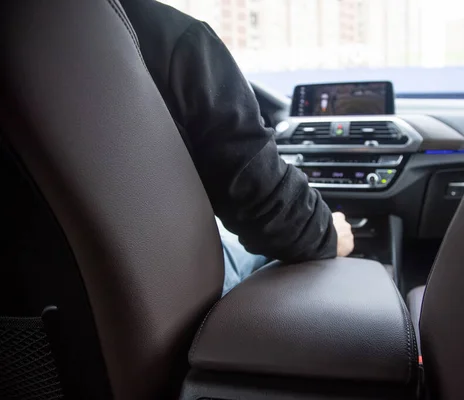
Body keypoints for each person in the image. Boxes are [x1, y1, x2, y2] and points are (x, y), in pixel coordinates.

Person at [119, 0, 354, 295]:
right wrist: (327, 234)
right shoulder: (175, 38)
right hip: (155, 291)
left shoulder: (47, 32)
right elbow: (267, 211)